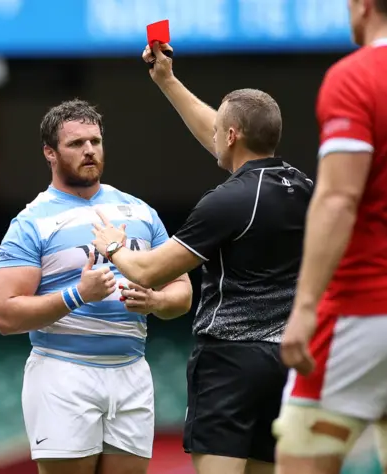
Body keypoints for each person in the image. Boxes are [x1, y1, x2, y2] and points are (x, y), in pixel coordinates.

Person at [91, 44, 313, 474]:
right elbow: (223, 133)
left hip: (230, 364)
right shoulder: (302, 185)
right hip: (285, 363)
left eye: (220, 131)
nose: (213, 134)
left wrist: (113, 245)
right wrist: (168, 81)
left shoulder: (227, 201)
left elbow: (150, 271)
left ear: (231, 136)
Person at [0, 99, 192, 474]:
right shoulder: (30, 222)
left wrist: (156, 300)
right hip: (63, 372)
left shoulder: (141, 212)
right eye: (76, 143)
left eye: (95, 141)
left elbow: (182, 291)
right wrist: (78, 294)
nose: (89, 150)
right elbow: (5, 314)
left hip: (132, 370)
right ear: (49, 152)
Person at [274, 1, 387, 473]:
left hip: (363, 306)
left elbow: (338, 198)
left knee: (301, 452)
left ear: (365, 6)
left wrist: (306, 306)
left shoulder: (355, 77)